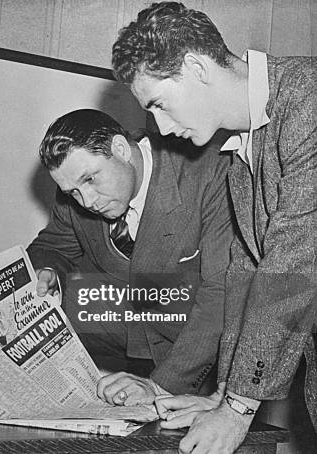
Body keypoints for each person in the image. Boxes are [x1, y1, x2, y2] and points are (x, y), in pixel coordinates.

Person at [111, 2, 316, 452]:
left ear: (195, 67)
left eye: (159, 104)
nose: (160, 128)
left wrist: (239, 408)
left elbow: (295, 264)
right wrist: (224, 393)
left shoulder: (309, 96)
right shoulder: (240, 154)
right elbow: (246, 277)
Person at [27, 109, 234, 406]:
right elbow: (52, 245)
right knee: (37, 305)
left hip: (209, 339)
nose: (87, 201)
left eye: (90, 180)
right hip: (136, 325)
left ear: (121, 149)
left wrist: (160, 386)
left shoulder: (208, 174)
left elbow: (222, 293)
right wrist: (47, 269)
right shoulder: (75, 193)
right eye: (73, 192)